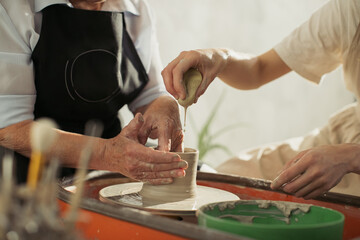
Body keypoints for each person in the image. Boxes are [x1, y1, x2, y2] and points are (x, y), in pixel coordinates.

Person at [161, 0, 360, 198]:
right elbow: (259, 69)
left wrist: (349, 156)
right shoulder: (350, 9)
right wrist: (219, 58)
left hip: (351, 158)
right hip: (347, 131)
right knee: (224, 177)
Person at [0, 0, 187, 185]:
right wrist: (107, 154)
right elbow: (10, 128)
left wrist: (164, 104)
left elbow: (149, 93)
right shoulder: (13, 8)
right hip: (26, 174)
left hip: (106, 167)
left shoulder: (135, 7)